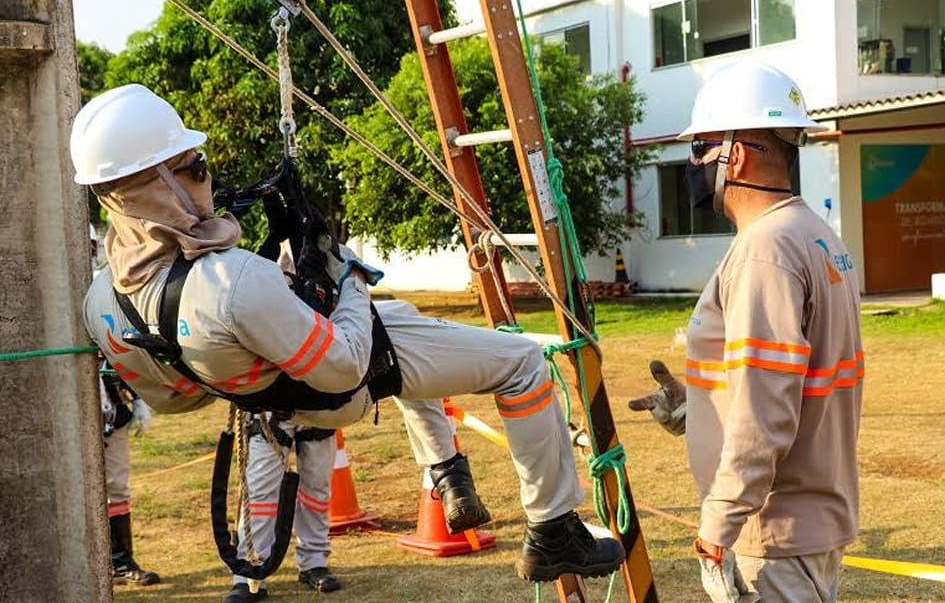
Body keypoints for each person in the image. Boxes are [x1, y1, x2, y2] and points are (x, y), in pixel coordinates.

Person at [73, 83, 624, 583]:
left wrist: (248, 357)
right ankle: (552, 529)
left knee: (405, 325)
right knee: (521, 362)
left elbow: (174, 399)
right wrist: (350, 278)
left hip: (275, 396)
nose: (208, 178)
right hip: (338, 389)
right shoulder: (234, 280)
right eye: (197, 167)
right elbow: (347, 363)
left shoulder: (102, 300)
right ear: (161, 182)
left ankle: (448, 470)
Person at [629, 61, 863, 603]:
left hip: (774, 532)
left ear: (733, 155)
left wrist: (719, 523)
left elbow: (766, 414)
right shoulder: (814, 234)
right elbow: (788, 381)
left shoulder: (767, 250)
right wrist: (696, 405)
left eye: (700, 148)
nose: (692, 163)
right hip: (808, 521)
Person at [93, 226, 162, 587]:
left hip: (111, 408)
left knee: (117, 485)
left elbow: (123, 352)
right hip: (76, 409)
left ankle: (120, 561)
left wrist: (139, 400)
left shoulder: (108, 295)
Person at [223, 415, 340, 603]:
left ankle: (314, 562)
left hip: (318, 404)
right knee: (260, 495)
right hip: (269, 408)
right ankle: (249, 575)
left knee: (316, 487)